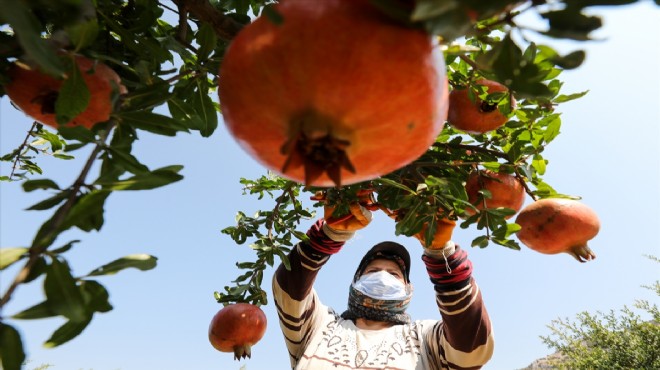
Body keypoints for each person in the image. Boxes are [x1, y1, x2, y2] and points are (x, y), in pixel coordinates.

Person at [272, 196, 494, 369]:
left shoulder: (424, 337)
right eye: (373, 270)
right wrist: (329, 235)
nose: (382, 276)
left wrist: (441, 254)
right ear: (355, 281)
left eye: (394, 274)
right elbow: (288, 289)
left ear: (409, 289)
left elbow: (472, 348)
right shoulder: (320, 326)